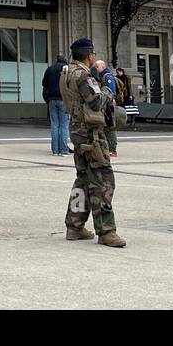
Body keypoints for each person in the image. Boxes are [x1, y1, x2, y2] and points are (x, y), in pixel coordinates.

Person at [61, 38, 125, 247]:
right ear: (89, 55)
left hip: (77, 130)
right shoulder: (82, 74)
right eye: (93, 54)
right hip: (91, 133)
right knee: (103, 179)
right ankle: (106, 230)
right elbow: (96, 101)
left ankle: (75, 226)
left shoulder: (67, 72)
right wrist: (108, 88)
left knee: (83, 179)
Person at [42, 54, 72, 156]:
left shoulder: (49, 69)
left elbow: (44, 84)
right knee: (64, 125)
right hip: (63, 99)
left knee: (54, 125)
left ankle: (55, 150)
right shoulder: (67, 70)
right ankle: (63, 150)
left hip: (52, 99)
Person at [95, 59, 119, 156]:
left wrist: (109, 101)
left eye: (97, 67)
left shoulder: (107, 76)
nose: (96, 69)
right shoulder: (101, 76)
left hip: (108, 105)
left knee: (110, 126)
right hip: (105, 104)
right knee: (105, 126)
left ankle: (112, 149)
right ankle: (107, 147)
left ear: (103, 66)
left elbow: (111, 91)